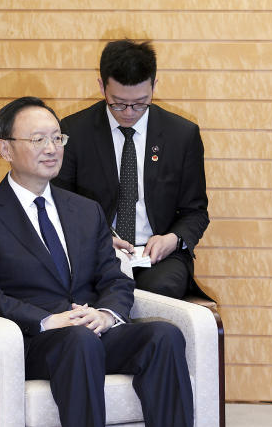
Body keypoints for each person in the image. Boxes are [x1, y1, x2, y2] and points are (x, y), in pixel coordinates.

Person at [0, 97, 224, 427]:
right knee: (76, 342)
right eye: (37, 139)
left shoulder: (84, 210)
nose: (51, 148)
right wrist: (47, 321)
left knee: (162, 337)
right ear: (5, 148)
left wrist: (107, 312)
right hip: (37, 342)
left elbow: (112, 277)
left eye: (56, 138)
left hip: (92, 330)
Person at [55, 39, 209, 299]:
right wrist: (100, 240)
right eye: (117, 103)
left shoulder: (181, 135)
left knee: (159, 293)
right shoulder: (74, 131)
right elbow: (59, 204)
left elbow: (195, 212)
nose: (129, 112)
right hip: (95, 252)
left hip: (158, 257)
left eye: (140, 103)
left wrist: (172, 239)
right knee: (77, 291)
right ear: (102, 86)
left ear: (154, 86)